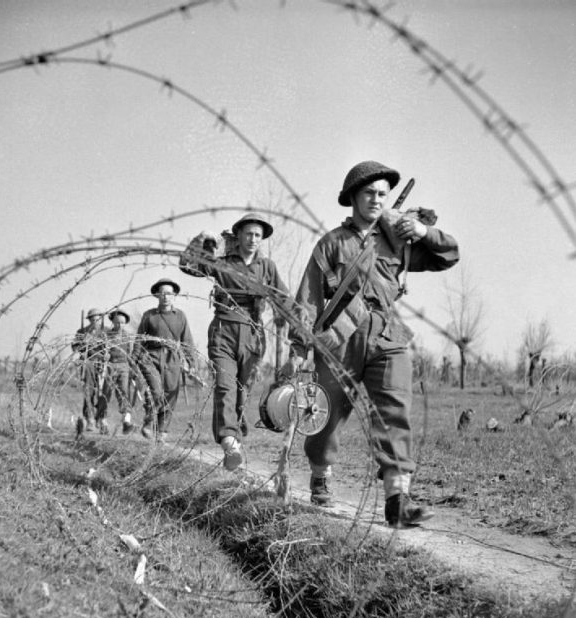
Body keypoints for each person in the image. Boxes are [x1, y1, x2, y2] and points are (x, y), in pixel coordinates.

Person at [284, 160, 459, 527]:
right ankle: (320, 473)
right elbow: (309, 298)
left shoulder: (397, 237)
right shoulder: (332, 243)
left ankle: (398, 499)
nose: (377, 200)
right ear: (352, 197)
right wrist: (299, 349)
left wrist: (424, 231)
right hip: (340, 340)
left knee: (395, 410)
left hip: (387, 334)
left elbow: (448, 256)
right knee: (327, 415)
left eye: (383, 194)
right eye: (369, 193)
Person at [180, 212, 295, 471]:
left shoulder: (267, 268)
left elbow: (284, 299)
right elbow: (187, 265)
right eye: (248, 234)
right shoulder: (222, 263)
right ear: (239, 236)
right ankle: (229, 442)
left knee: (242, 393)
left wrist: (295, 321)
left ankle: (235, 430)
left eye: (258, 235)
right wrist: (198, 241)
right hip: (223, 330)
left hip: (253, 336)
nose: (253, 239)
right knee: (225, 387)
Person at [132, 278, 196, 442]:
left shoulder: (180, 316)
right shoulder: (149, 315)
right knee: (156, 392)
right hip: (150, 357)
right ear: (157, 296)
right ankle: (149, 420)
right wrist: (133, 360)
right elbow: (139, 339)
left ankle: (162, 432)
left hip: (172, 358)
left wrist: (191, 362)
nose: (166, 296)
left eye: (169, 293)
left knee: (170, 395)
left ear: (174, 296)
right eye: (162, 293)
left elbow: (187, 340)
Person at [71, 307, 109, 434]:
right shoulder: (82, 331)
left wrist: (107, 351)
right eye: (92, 318)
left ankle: (102, 418)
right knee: (89, 391)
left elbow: (112, 348)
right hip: (88, 363)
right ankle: (90, 418)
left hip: (103, 363)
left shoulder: (106, 331)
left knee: (104, 392)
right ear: (89, 319)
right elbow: (75, 347)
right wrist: (83, 343)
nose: (95, 320)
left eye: (97, 317)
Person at [105, 308, 134, 434]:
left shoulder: (127, 336)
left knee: (123, 391)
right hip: (110, 366)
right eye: (117, 322)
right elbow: (103, 351)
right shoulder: (107, 336)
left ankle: (126, 418)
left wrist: (131, 368)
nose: (119, 325)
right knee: (106, 392)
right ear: (113, 322)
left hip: (124, 366)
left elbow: (129, 353)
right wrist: (105, 356)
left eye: (122, 323)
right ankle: (102, 419)